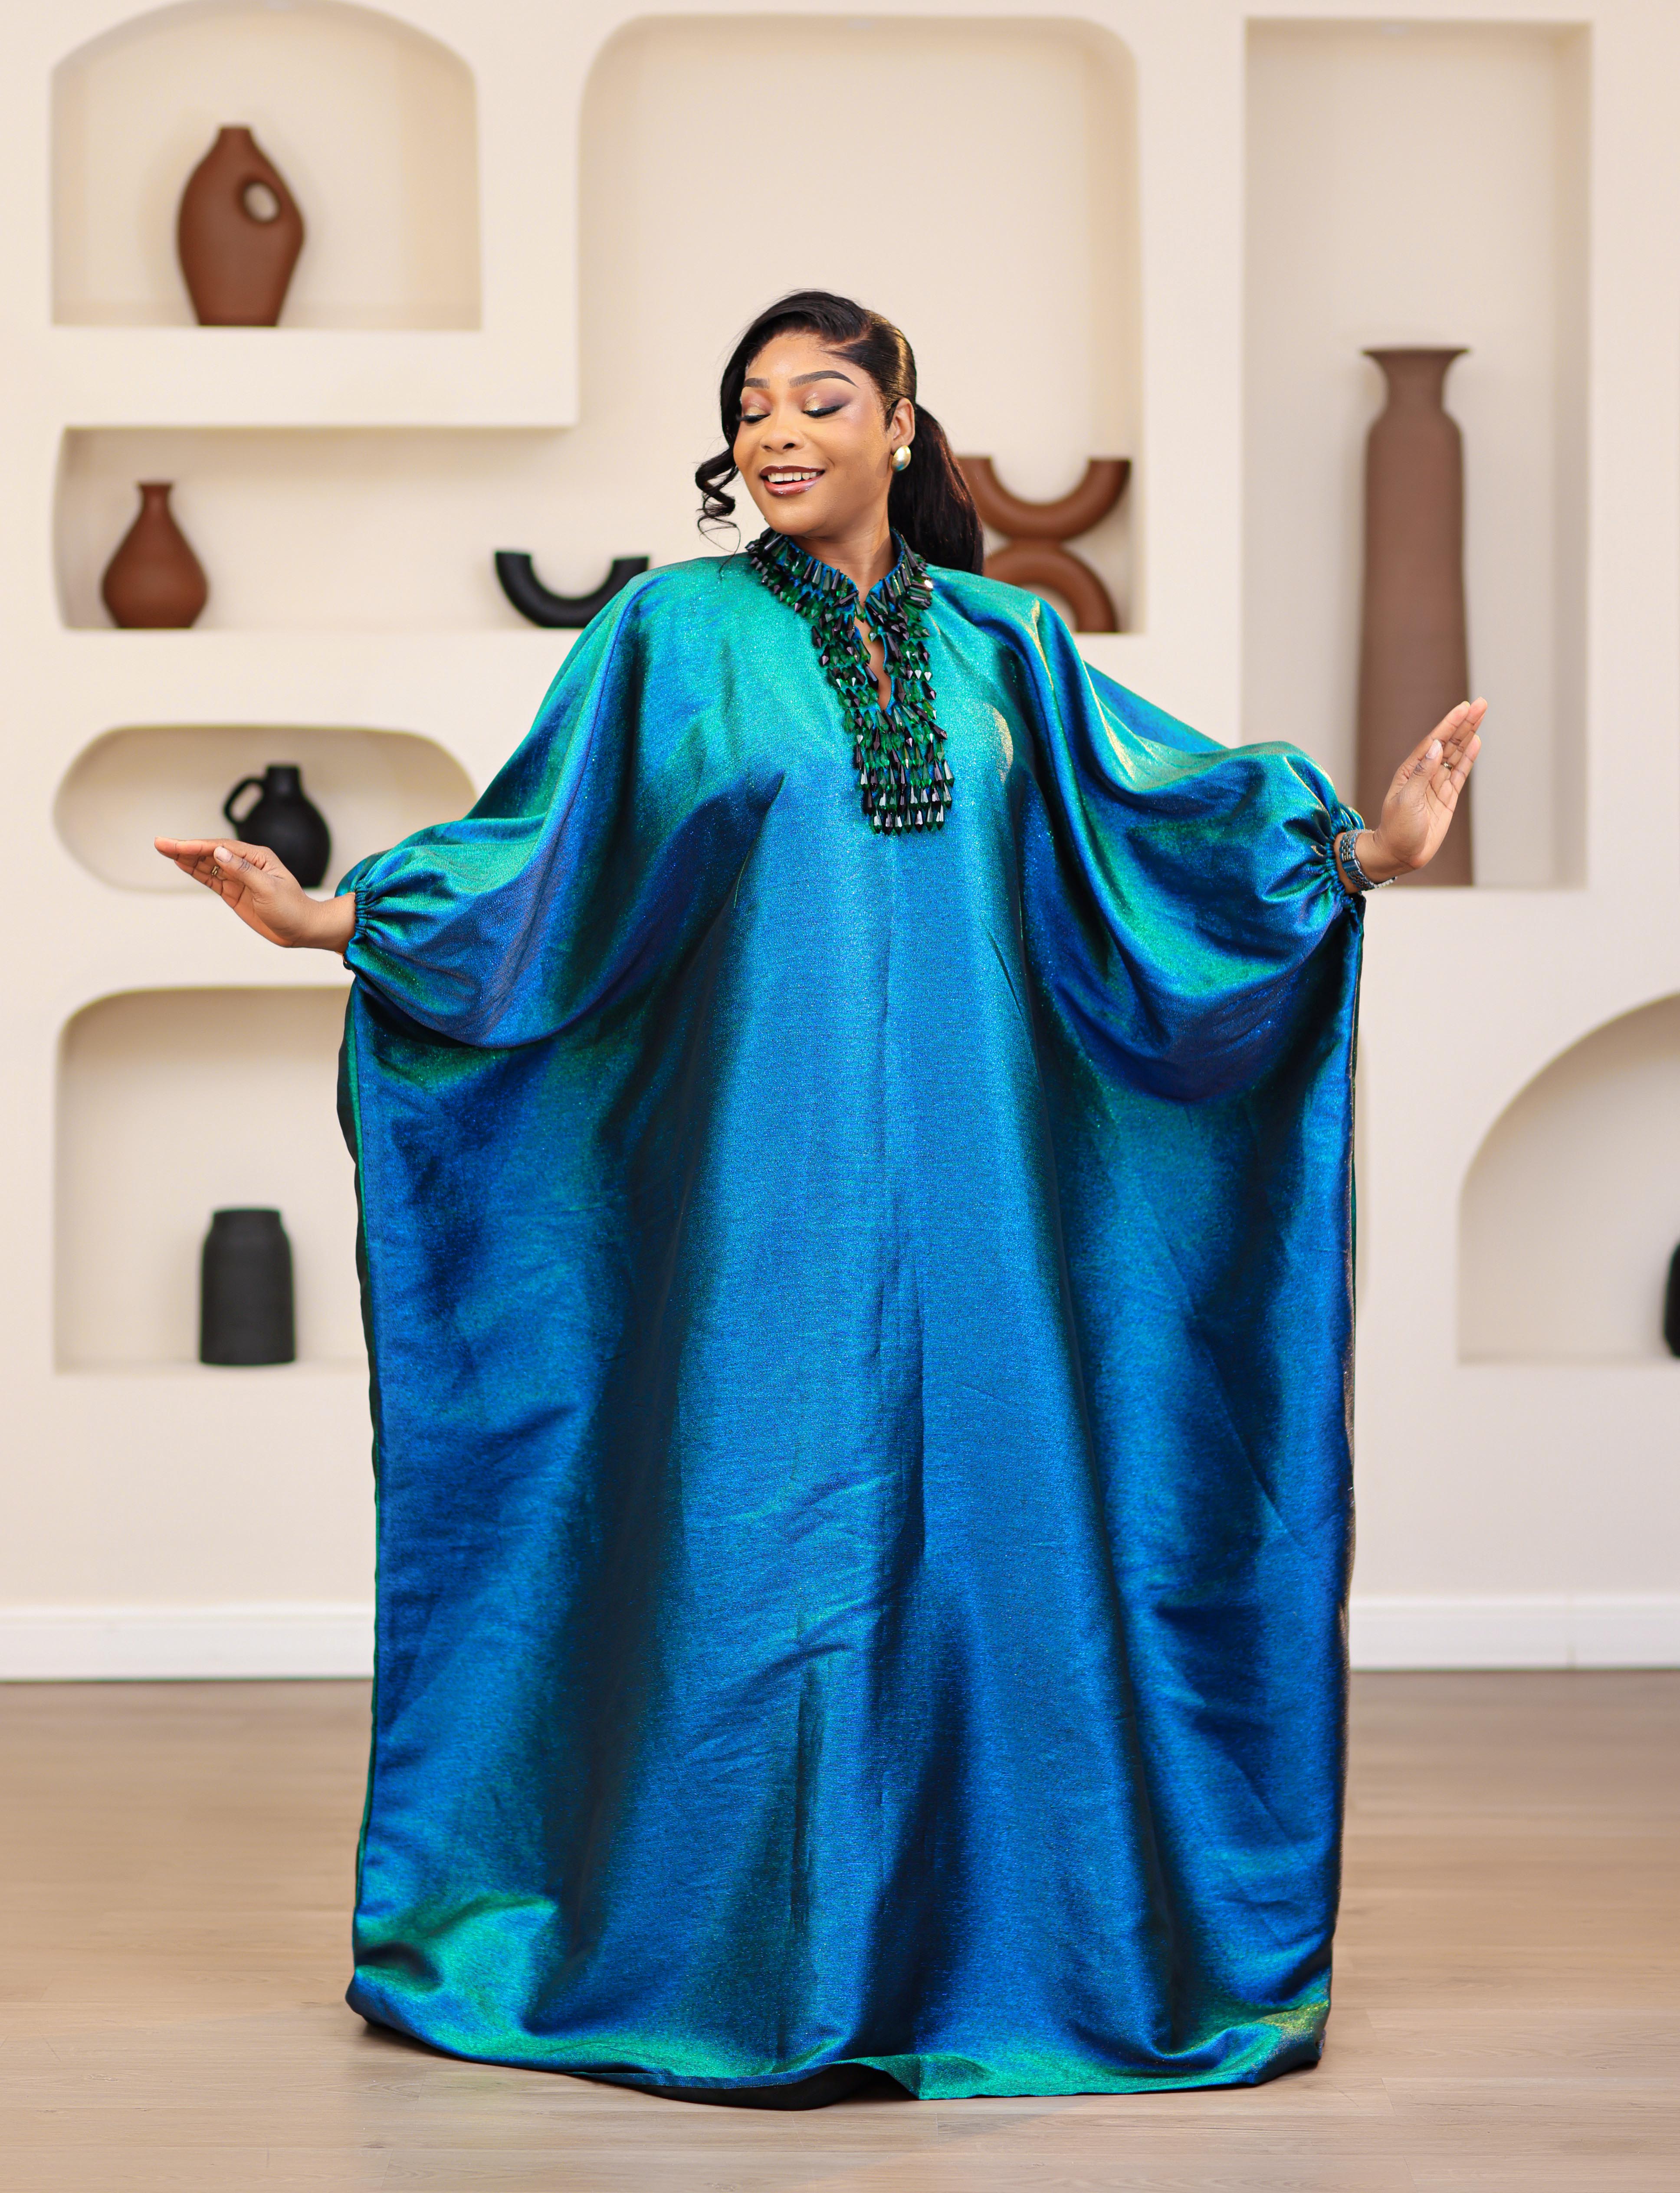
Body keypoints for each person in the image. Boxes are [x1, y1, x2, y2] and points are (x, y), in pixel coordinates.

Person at [158, 291, 1483, 2108]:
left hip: (990, 1202)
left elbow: (1154, 839)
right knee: (761, 1539)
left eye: (820, 398)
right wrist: (334, 916)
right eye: (751, 406)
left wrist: (1362, 852)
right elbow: (543, 866)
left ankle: (1011, 1954)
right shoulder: (667, 635)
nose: (777, 431)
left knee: (996, 1540)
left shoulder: (1011, 645)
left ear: (903, 425)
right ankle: (728, 1960)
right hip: (753, 1201)